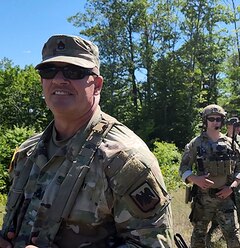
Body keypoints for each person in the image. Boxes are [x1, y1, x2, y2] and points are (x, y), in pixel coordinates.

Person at [0, 34, 173, 247]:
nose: (58, 79)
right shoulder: (27, 152)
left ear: (97, 85)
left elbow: (153, 244)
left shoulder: (123, 158)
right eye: (49, 71)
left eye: (74, 72)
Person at [179, 104, 240, 248]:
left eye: (218, 119)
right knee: (199, 236)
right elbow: (183, 169)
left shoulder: (231, 144)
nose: (215, 122)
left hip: (225, 198)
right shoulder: (196, 144)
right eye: (211, 119)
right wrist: (196, 179)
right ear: (205, 121)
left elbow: (239, 171)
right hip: (203, 199)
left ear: (222, 121)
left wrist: (231, 188)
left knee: (233, 236)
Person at [207, 116, 240, 241]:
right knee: (217, 202)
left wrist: (233, 146)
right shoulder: (219, 138)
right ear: (228, 126)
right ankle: (216, 226)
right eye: (234, 125)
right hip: (221, 178)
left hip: (235, 178)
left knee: (236, 202)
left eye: (239, 126)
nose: (238, 128)